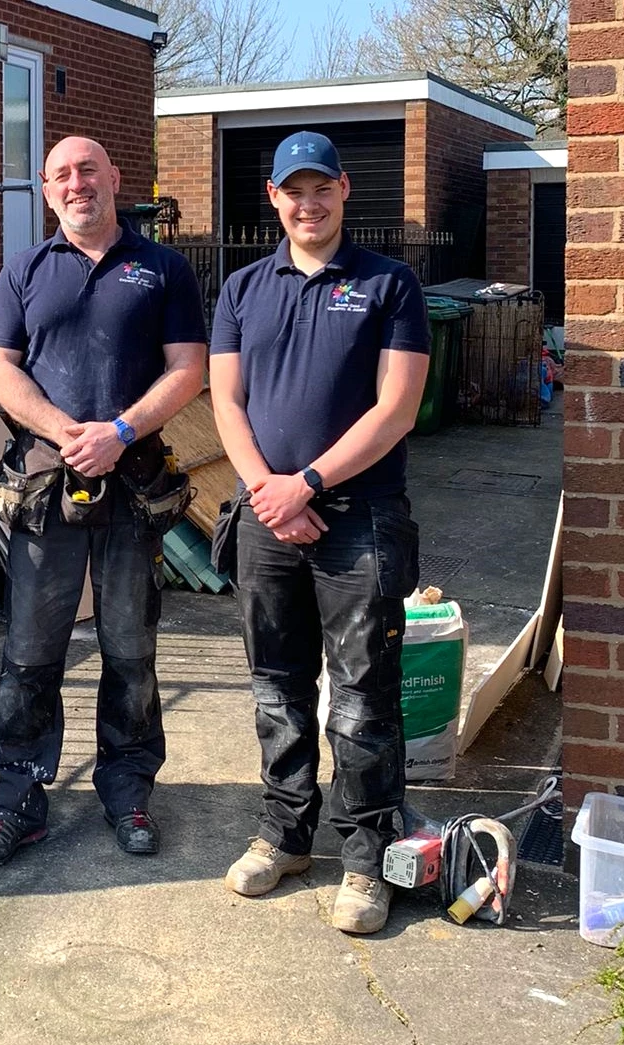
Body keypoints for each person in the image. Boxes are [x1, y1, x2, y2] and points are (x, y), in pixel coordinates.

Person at [208, 130, 430, 934]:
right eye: (291, 190)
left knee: (363, 693)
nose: (307, 204)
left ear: (342, 191)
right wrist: (269, 493)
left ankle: (366, 856)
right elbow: (225, 400)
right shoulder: (240, 288)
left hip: (359, 516)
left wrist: (306, 483)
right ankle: (284, 832)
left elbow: (395, 409)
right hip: (267, 515)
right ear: (272, 197)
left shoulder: (388, 285)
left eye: (320, 188)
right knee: (277, 682)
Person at [0, 137, 208, 869]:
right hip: (45, 482)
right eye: (63, 175)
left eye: (89, 171)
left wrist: (121, 429)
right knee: (29, 653)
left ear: (115, 178)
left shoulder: (162, 268)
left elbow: (188, 367)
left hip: (132, 484)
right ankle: (17, 799)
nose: (77, 184)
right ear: (46, 190)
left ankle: (127, 787)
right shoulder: (24, 269)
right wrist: (62, 429)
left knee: (130, 649)